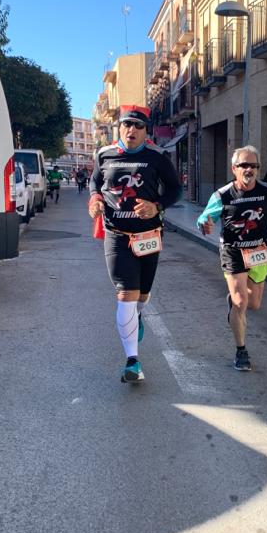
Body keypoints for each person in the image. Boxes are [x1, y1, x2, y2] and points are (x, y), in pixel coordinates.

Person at [88, 109, 182, 383]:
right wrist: (95, 199)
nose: (132, 129)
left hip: (148, 236)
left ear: (146, 130)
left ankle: (137, 315)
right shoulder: (104, 155)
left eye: (138, 126)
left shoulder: (157, 157)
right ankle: (132, 361)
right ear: (119, 128)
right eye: (127, 124)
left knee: (142, 296)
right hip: (116, 235)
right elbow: (96, 181)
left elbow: (175, 189)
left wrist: (157, 206)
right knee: (125, 293)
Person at [197, 145, 267, 372]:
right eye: (244, 165)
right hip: (233, 251)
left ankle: (234, 303)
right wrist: (204, 224)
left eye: (254, 166)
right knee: (241, 301)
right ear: (234, 169)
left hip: (258, 251)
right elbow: (204, 217)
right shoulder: (222, 195)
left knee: (254, 304)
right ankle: (241, 351)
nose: (249, 169)